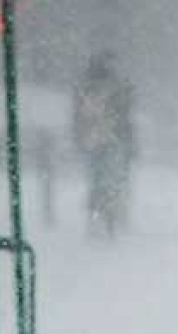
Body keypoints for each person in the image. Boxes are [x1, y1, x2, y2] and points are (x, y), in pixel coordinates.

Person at [72, 52, 136, 239]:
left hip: (93, 140)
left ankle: (97, 217)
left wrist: (80, 136)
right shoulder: (116, 86)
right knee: (110, 179)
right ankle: (108, 216)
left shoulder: (86, 87)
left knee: (97, 179)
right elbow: (124, 112)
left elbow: (78, 115)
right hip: (111, 139)